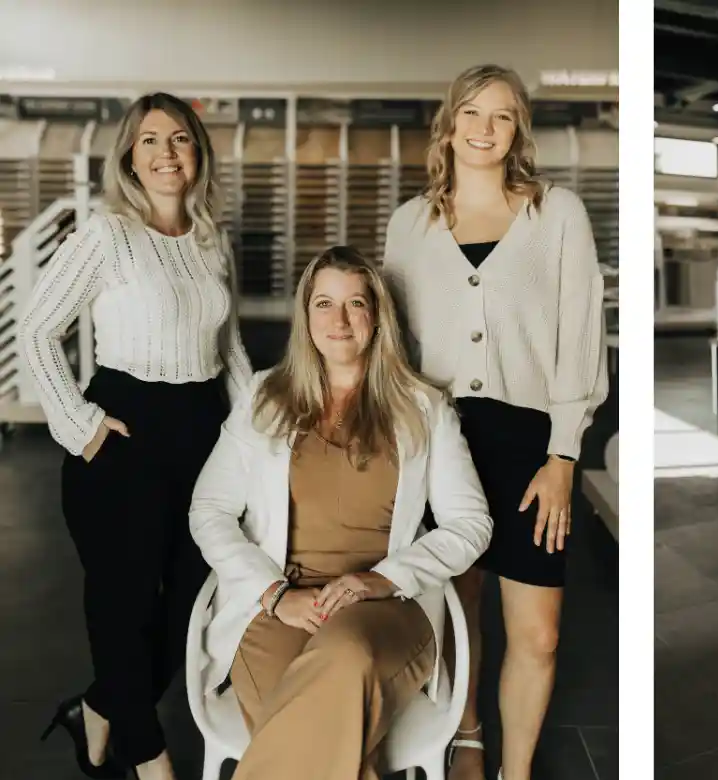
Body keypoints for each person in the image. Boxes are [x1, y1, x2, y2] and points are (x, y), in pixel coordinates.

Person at [187, 246, 493, 780]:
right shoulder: (264, 397)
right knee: (331, 739)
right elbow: (209, 509)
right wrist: (272, 592)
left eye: (356, 303)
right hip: (278, 605)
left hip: (385, 605)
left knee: (346, 657)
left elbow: (471, 524)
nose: (340, 319)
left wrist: (380, 579)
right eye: (324, 303)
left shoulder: (424, 406)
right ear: (305, 315)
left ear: (377, 317)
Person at [383, 63, 607, 780]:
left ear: (519, 130)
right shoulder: (409, 225)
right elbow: (394, 347)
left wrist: (564, 455)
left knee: (537, 634)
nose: (484, 129)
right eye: (472, 113)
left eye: (502, 115)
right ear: (448, 124)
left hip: (530, 446)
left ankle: (517, 772)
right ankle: (470, 734)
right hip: (440, 441)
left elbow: (580, 334)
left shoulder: (557, 213)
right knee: (461, 608)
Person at [21, 93, 252, 780]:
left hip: (203, 431)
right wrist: (82, 426)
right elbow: (35, 330)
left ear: (198, 155)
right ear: (129, 155)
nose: (165, 154)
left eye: (179, 140)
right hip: (123, 431)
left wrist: (254, 436)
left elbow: (229, 345)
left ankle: (96, 709)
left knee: (188, 606)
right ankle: (149, 760)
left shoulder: (212, 239)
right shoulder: (107, 234)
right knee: (123, 610)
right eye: (149, 140)